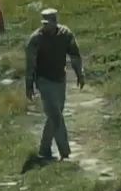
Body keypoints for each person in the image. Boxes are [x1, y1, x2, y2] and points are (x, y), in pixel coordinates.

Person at [25, 8, 86, 161]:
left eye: (50, 23)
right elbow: (30, 64)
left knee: (55, 115)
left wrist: (80, 74)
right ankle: (65, 153)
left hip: (60, 78)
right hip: (43, 80)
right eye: (44, 24)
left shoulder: (65, 34)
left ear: (55, 23)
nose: (47, 27)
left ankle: (44, 149)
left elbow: (75, 55)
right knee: (56, 116)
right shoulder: (35, 39)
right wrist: (29, 85)